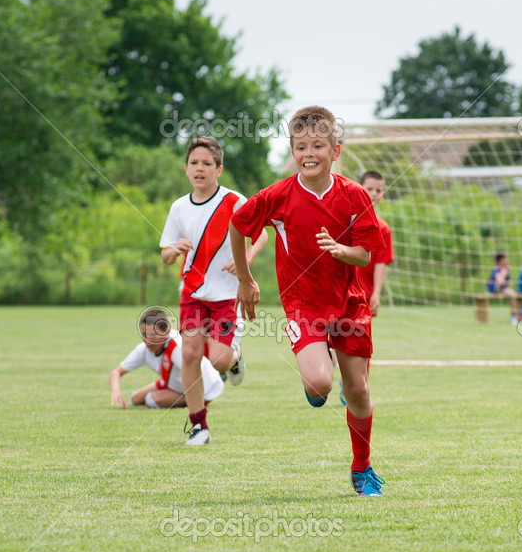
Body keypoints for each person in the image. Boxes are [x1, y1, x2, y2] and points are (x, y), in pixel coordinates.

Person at [229, 105, 387, 497]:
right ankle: (316, 371)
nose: (309, 153)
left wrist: (340, 250)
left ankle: (362, 468)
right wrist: (246, 279)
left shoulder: (354, 196)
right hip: (304, 305)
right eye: (301, 147)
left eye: (318, 144)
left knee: (359, 391)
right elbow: (237, 224)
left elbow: (366, 255)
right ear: (293, 152)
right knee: (319, 385)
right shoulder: (278, 196)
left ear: (336, 150)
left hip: (350, 303)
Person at [160, 136, 268, 446]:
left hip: (226, 296)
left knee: (218, 361)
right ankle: (199, 427)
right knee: (190, 354)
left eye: (207, 164)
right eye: (194, 163)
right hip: (192, 293)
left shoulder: (234, 201)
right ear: (185, 168)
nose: (200, 168)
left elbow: (261, 236)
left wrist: (245, 259)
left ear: (218, 170)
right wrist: (174, 249)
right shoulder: (178, 207)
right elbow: (166, 255)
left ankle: (234, 358)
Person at [109, 307, 224, 417]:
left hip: (207, 387)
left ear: (166, 332)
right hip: (172, 382)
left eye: (153, 335)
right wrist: (116, 391)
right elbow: (116, 372)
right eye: (144, 334)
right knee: (134, 399)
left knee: (151, 400)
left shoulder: (177, 347)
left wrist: (198, 402)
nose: (148, 341)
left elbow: (200, 374)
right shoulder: (143, 349)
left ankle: (193, 398)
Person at [357, 171, 394, 316]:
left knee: (359, 336)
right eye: (369, 189)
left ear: (382, 195)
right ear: (358, 189)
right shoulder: (343, 220)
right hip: (338, 292)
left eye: (378, 190)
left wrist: (376, 293)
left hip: (364, 294)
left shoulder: (383, 229)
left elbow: (380, 263)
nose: (373, 194)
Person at [487, 252, 522, 323]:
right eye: (506, 259)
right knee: (512, 295)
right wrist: (502, 275)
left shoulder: (506, 269)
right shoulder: (496, 268)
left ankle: (519, 315)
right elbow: (499, 280)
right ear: (501, 260)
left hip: (503, 288)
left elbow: (507, 282)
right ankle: (514, 317)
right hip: (495, 288)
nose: (508, 260)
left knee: (516, 295)